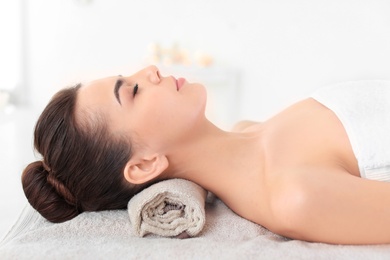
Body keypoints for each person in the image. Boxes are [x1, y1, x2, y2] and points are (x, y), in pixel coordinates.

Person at [22, 65, 390, 245]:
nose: (149, 70)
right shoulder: (293, 197)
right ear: (146, 164)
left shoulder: (251, 130)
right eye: (132, 92)